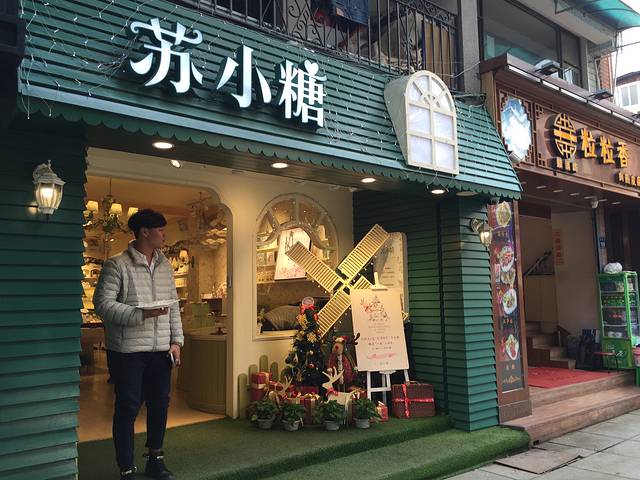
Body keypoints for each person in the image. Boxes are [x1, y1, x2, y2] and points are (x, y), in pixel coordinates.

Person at [94, 209, 184, 480]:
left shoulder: (165, 265)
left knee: (160, 405)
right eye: (161, 230)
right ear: (145, 232)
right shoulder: (117, 264)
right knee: (127, 407)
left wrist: (176, 341)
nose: (165, 235)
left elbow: (174, 306)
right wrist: (141, 314)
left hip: (161, 351)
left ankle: (156, 459)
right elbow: (103, 305)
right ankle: (126, 468)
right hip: (127, 352)